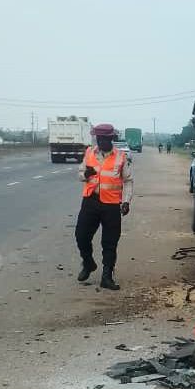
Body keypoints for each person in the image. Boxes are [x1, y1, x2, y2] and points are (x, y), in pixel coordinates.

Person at [75, 124, 133, 290]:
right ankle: (88, 263)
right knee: (81, 236)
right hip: (90, 202)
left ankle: (107, 276)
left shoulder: (121, 157)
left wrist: (126, 201)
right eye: (99, 139)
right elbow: (80, 174)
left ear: (111, 139)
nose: (101, 141)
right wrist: (85, 174)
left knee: (110, 242)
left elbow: (128, 181)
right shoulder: (89, 153)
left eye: (105, 139)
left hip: (112, 205)